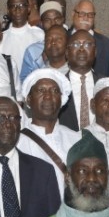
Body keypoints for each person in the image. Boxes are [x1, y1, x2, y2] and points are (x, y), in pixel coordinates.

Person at [16, 68, 79, 198]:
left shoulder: (76, 139)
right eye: (41, 90)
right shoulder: (17, 142)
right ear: (28, 99)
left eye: (55, 91)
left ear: (61, 99)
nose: (48, 96)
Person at [59, 30, 99, 131]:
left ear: (95, 52)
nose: (81, 49)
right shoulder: (58, 86)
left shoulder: (106, 85)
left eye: (87, 44)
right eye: (76, 45)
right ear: (67, 53)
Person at [20, 4, 67, 83]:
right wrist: (43, 62)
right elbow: (24, 81)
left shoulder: (71, 45)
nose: (53, 23)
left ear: (62, 20)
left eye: (57, 19)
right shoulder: (32, 50)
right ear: (41, 23)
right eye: (48, 20)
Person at [70, 0, 109, 78]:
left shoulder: (107, 45)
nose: (86, 18)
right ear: (73, 14)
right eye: (82, 13)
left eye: (90, 15)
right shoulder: (62, 39)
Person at [0, 0, 43, 76]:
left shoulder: (39, 35)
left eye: (21, 5)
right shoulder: (1, 38)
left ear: (28, 8)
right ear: (8, 10)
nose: (17, 10)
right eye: (13, 6)